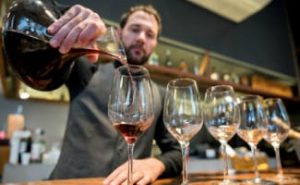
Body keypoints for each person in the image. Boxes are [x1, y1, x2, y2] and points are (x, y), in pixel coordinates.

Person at [46, 2, 182, 185]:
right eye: (135, 29)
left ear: (155, 44)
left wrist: (155, 164)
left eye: (150, 34)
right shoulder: (86, 70)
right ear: (119, 33)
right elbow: (43, 55)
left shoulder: (161, 95)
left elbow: (177, 152)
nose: (141, 38)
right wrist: (64, 14)